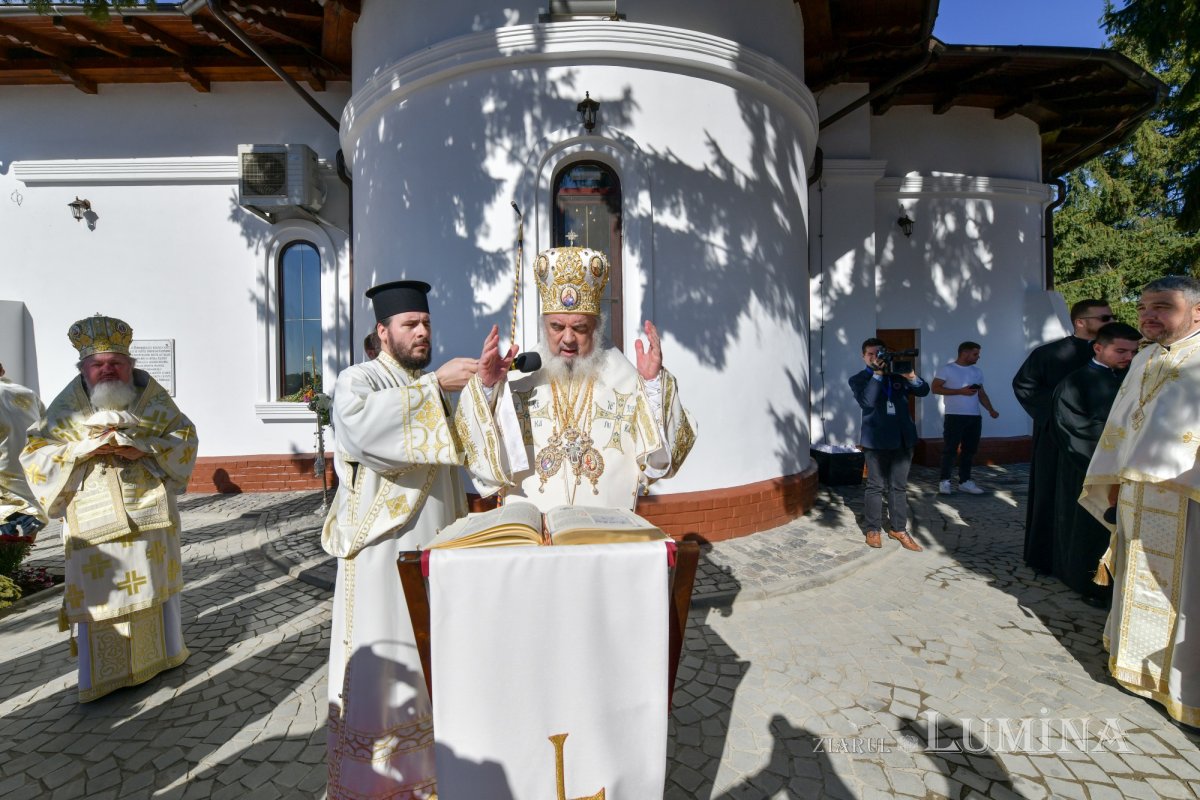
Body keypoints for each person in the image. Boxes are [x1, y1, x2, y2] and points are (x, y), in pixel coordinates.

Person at [322, 280, 511, 799]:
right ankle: (376, 785)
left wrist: (487, 387)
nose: (422, 332)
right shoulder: (356, 381)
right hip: (381, 555)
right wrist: (435, 390)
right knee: (387, 664)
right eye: (410, 325)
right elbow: (361, 431)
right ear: (383, 332)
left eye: (425, 323)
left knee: (433, 661)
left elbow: (472, 446)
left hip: (437, 547)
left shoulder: (433, 385)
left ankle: (435, 777)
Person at [20, 315, 198, 702]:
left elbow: (184, 437)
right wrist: (83, 449)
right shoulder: (67, 406)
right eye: (97, 365)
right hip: (93, 518)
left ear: (129, 365)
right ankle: (103, 676)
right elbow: (35, 455)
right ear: (83, 369)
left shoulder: (151, 399)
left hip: (149, 514)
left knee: (152, 585)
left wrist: (144, 447)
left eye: (115, 363)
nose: (107, 371)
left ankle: (164, 656)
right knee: (105, 593)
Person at [455, 246, 696, 511]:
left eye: (580, 328)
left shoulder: (627, 379)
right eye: (556, 327)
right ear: (543, 325)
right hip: (534, 533)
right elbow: (475, 444)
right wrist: (488, 387)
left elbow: (663, 460)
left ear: (597, 327)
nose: (567, 338)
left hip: (607, 532)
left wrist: (652, 384)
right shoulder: (517, 375)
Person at [1080, 277, 1200, 732]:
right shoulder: (1145, 357)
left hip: (1188, 498)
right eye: (1144, 306)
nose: (1148, 315)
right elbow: (1122, 424)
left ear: (1196, 312)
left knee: (1188, 592)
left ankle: (1184, 685)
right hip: (1136, 494)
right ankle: (1136, 667)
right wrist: (1112, 479)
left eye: (1162, 307)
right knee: (1136, 577)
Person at [1013, 298, 1113, 573]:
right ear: (1081, 322)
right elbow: (1024, 386)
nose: (1111, 321)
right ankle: (1046, 559)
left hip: (1100, 442)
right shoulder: (1048, 354)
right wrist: (1062, 415)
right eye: (1104, 318)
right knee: (1051, 496)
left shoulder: (1111, 353)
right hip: (1056, 441)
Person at [1050, 321, 1140, 606]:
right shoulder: (1074, 382)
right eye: (1121, 351)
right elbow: (1075, 429)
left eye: (1133, 352)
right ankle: (1089, 584)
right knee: (1090, 529)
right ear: (1098, 347)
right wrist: (1116, 455)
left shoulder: (1131, 380)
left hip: (1125, 468)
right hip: (1088, 469)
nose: (1128, 357)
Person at [848, 338, 930, 551]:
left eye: (879, 354)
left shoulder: (897, 375)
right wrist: (876, 374)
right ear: (863, 356)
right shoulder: (859, 379)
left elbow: (923, 391)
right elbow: (867, 401)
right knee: (875, 486)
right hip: (876, 441)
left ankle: (899, 529)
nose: (876, 358)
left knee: (899, 487)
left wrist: (912, 377)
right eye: (871, 355)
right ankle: (873, 529)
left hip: (903, 440)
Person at [932, 341, 999, 495]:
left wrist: (991, 409)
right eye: (975, 354)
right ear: (965, 353)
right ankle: (945, 481)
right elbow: (935, 388)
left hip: (974, 417)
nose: (978, 357)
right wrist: (960, 391)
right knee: (950, 449)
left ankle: (965, 481)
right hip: (954, 416)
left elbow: (981, 393)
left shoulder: (977, 372)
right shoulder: (947, 369)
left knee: (969, 450)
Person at [0, 362, 45, 540]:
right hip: (31, 459)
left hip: (3, 462)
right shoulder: (27, 392)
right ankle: (29, 523)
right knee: (27, 501)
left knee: (5, 509)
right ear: (2, 371)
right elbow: (45, 423)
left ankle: (10, 550)